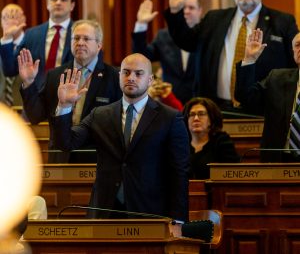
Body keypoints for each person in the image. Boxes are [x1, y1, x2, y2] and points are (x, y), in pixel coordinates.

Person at [52, 53, 190, 226]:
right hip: (105, 211)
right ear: (119, 76)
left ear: (150, 79)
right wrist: (64, 107)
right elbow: (66, 143)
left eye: (138, 73)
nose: (131, 78)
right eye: (126, 72)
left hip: (150, 212)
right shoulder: (99, 114)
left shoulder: (170, 118)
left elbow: (179, 172)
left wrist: (178, 220)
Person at [165, 0, 298, 113]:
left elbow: (294, 63)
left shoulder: (282, 22)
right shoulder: (214, 18)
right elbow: (186, 41)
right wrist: (176, 11)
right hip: (214, 109)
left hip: (262, 109)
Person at [18, 19, 122, 163]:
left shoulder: (113, 77)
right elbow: (36, 116)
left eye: (86, 38)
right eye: (76, 38)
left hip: (96, 159)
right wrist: (29, 83)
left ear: (99, 45)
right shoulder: (55, 75)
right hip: (60, 157)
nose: (80, 42)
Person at [235, 30, 300, 162]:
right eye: (298, 45)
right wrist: (249, 60)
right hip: (279, 160)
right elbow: (246, 98)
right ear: (293, 51)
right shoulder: (276, 78)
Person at [0, 0, 75, 89]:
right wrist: (7, 38)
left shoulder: (80, 34)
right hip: (37, 98)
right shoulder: (32, 34)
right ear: (47, 3)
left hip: (70, 97)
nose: (58, 2)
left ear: (72, 5)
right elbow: (10, 70)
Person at [132, 0, 202, 104]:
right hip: (169, 105)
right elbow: (141, 57)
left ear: (200, 11)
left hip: (200, 104)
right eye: (183, 8)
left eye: (191, 8)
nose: (186, 11)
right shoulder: (164, 36)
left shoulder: (207, 35)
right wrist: (141, 24)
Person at [183, 97, 240, 179]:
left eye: (201, 114)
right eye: (191, 115)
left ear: (211, 119)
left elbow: (231, 175)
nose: (196, 118)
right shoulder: (180, 144)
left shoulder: (222, 142)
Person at [0, 4, 26, 106]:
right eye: (5, 17)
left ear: (24, 19)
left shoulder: (33, 43)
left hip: (26, 109)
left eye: (14, 16)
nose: (10, 21)